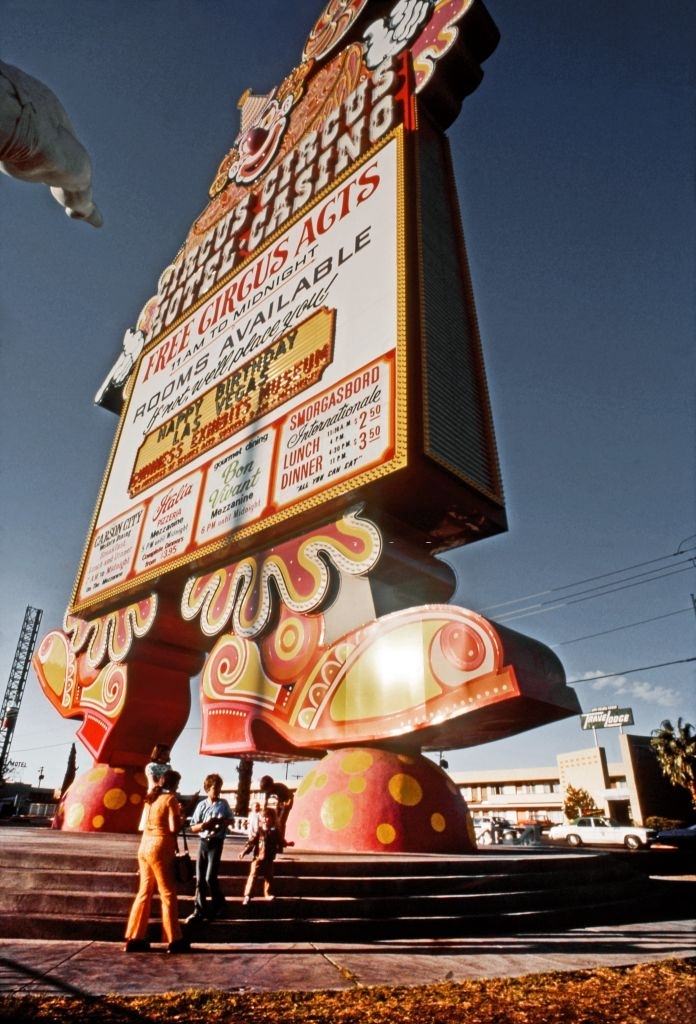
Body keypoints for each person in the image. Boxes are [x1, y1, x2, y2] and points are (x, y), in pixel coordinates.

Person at [124, 768, 189, 954]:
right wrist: (181, 817)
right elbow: (173, 827)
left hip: (144, 846)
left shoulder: (151, 799)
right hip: (161, 847)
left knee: (144, 891)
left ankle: (135, 936)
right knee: (167, 893)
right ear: (173, 783)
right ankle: (174, 938)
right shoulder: (170, 800)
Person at [186, 773, 234, 924]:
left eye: (219, 787)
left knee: (210, 877)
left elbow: (231, 819)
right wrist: (204, 825)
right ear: (207, 788)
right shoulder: (202, 805)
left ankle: (219, 903)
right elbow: (192, 827)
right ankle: (199, 909)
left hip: (216, 843)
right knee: (200, 878)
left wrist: (222, 822)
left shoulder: (223, 804)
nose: (217, 790)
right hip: (204, 842)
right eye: (214, 788)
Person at [239, 807, 286, 905]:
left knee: (269, 877)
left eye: (267, 817)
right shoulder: (259, 831)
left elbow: (281, 841)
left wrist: (287, 843)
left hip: (269, 858)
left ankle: (268, 893)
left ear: (273, 819)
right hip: (258, 858)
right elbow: (251, 843)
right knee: (253, 875)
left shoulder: (275, 832)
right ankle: (248, 895)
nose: (265, 819)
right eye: (263, 817)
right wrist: (244, 851)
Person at [258, 775, 294, 842]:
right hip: (278, 805)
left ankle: (280, 840)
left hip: (286, 804)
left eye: (267, 789)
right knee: (273, 821)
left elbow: (291, 796)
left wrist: (288, 803)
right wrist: (265, 810)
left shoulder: (280, 787)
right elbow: (266, 801)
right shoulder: (268, 791)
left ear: (271, 785)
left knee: (281, 822)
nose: (267, 791)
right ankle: (273, 838)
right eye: (265, 790)